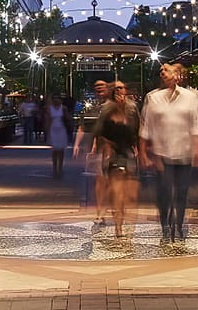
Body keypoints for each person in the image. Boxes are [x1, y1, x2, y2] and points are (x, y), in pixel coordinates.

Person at [139, 62, 198, 244]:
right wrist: (143, 152)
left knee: (181, 192)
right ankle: (165, 225)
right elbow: (146, 127)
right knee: (164, 191)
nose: (163, 72)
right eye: (161, 71)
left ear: (177, 74)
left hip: (184, 152)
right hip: (162, 153)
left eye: (167, 69)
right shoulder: (153, 98)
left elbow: (197, 124)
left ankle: (178, 225)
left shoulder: (191, 97)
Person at [94, 82, 141, 240]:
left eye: (122, 88)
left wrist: (140, 149)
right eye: (117, 89)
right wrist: (104, 146)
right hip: (114, 155)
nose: (120, 91)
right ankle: (118, 226)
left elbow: (138, 130)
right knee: (118, 192)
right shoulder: (108, 109)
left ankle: (122, 218)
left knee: (130, 194)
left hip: (128, 152)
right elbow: (99, 131)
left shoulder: (132, 109)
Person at [74, 81, 112, 219]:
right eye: (97, 89)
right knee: (100, 179)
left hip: (114, 148)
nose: (100, 91)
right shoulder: (93, 109)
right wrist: (77, 144)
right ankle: (100, 208)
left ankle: (107, 205)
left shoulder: (114, 107)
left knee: (111, 180)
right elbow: (83, 127)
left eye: (102, 88)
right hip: (99, 149)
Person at [46, 96, 70, 179]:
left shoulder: (63, 108)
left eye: (58, 99)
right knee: (55, 150)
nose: (57, 100)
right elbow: (48, 120)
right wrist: (47, 132)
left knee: (61, 150)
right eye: (55, 99)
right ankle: (54, 168)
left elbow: (67, 118)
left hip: (61, 129)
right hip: (53, 129)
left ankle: (60, 167)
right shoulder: (50, 108)